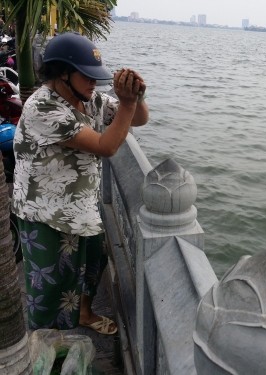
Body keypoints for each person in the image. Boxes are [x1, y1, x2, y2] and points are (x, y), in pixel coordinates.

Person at [12, 32, 149, 335]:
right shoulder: (42, 108)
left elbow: (138, 120)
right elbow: (106, 146)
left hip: (82, 205)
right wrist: (126, 105)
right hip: (44, 211)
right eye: (87, 76)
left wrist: (136, 96)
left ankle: (84, 315)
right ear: (62, 73)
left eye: (96, 77)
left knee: (91, 267)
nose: (94, 83)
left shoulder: (91, 98)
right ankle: (45, 340)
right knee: (48, 283)